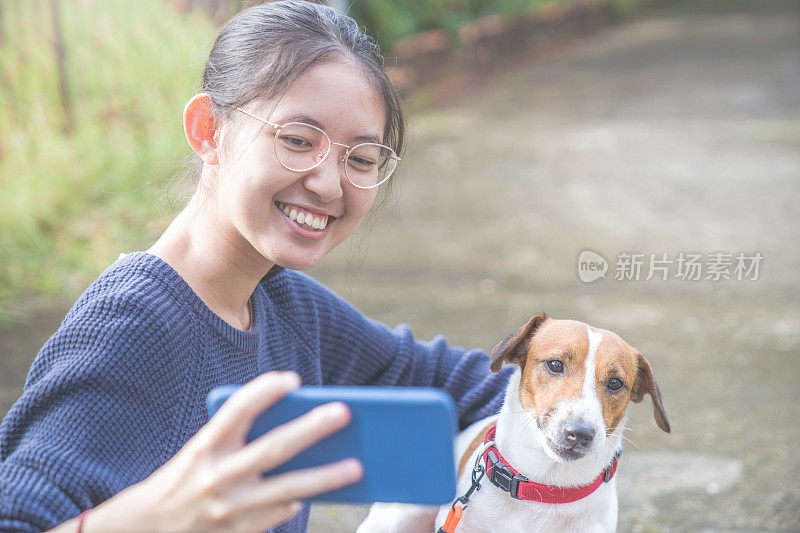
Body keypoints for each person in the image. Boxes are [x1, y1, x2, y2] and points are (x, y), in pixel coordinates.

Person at [0, 2, 512, 532]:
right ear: (208, 129)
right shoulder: (131, 326)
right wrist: (153, 518)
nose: (329, 184)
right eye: (296, 140)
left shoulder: (286, 308)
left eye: (360, 158)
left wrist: (590, 386)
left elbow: (465, 384)